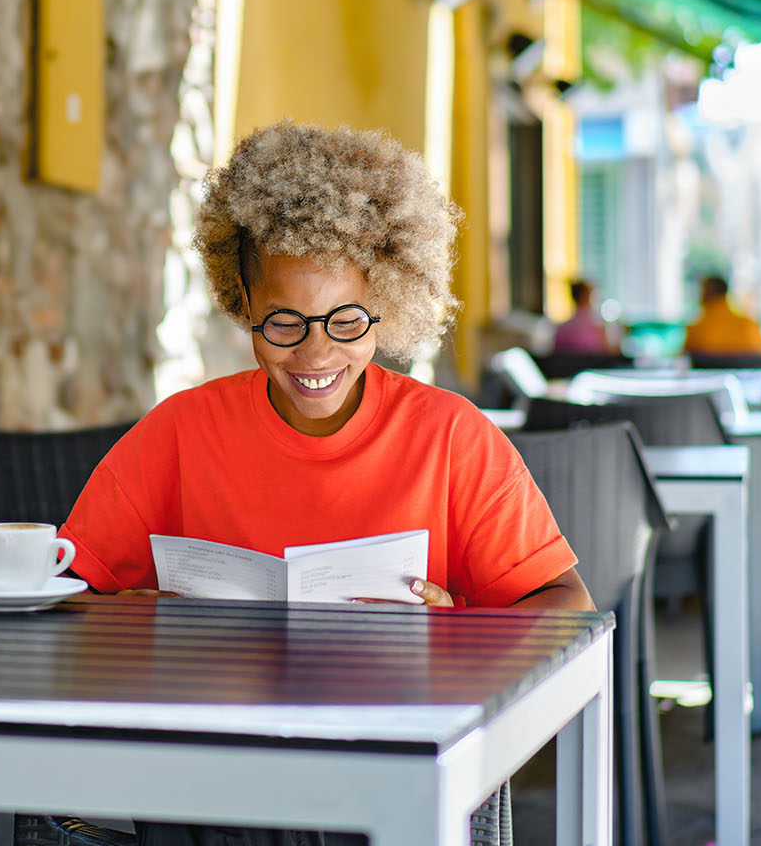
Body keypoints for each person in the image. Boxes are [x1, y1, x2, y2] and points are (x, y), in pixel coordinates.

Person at [58, 120, 593, 844]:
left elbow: (568, 610)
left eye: (345, 320)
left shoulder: (451, 437)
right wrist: (140, 619)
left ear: (388, 301)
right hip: (214, 784)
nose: (316, 351)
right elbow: (65, 605)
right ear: (242, 302)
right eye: (283, 321)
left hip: (391, 779)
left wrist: (455, 630)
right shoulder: (180, 432)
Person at [683, 274, 761, 357]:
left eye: (701, 292)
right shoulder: (750, 326)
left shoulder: (696, 330)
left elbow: (684, 359)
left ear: (706, 294)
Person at [552, 278, 615, 355]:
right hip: (593, 365)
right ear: (585, 296)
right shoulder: (598, 327)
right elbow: (608, 352)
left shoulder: (561, 328)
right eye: (591, 295)